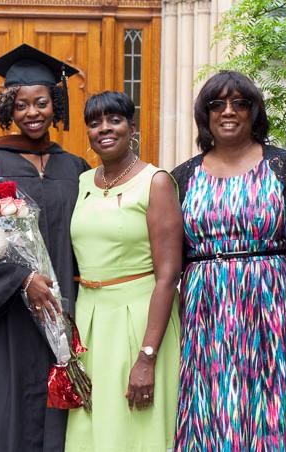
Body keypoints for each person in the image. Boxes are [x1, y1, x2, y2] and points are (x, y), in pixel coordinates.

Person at [0, 44, 91, 452]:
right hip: (9, 315)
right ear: (9, 110)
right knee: (6, 410)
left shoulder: (75, 167)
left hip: (63, 309)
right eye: (21, 105)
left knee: (61, 408)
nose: (32, 113)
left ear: (55, 105)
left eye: (41, 103)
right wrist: (23, 279)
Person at [169, 71, 286, 450]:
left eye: (239, 103)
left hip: (271, 303)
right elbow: (171, 255)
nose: (228, 111)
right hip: (206, 306)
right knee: (209, 404)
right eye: (218, 104)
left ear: (254, 111)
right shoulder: (184, 176)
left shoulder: (285, 168)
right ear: (205, 114)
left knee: (268, 404)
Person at [65, 91, 182, 452]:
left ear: (132, 128)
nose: (104, 129)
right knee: (91, 428)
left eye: (114, 120)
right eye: (95, 122)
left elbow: (168, 274)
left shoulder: (155, 181)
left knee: (137, 428)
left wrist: (146, 355)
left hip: (139, 318)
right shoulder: (83, 182)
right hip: (89, 320)